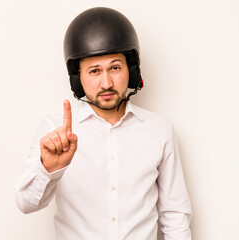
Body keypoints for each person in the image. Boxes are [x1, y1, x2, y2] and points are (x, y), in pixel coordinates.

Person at [15, 7, 192, 240]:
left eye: (115, 68)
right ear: (78, 78)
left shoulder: (160, 129)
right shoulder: (54, 130)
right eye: (94, 71)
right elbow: (26, 204)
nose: (106, 83)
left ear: (131, 69)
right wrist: (48, 169)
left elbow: (175, 215)